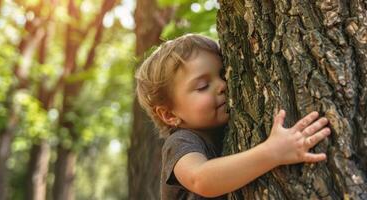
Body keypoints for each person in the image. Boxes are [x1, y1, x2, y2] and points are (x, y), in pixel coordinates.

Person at [135, 34, 331, 199]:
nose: (222, 85)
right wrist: (273, 152)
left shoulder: (226, 128)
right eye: (203, 86)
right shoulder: (180, 142)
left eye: (223, 74)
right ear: (170, 115)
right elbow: (201, 179)